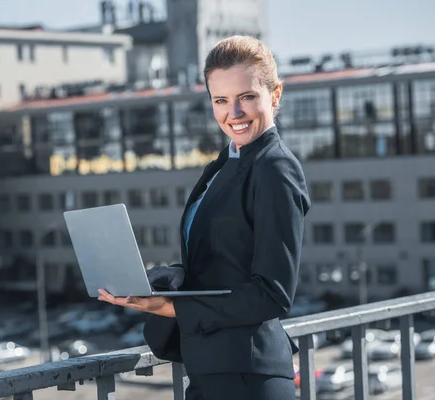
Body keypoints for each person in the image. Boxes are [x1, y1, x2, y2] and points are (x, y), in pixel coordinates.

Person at [97, 35, 311, 399]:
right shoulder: (225, 164)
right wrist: (177, 277)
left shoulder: (275, 169)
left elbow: (272, 294)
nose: (234, 113)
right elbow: (226, 261)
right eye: (221, 100)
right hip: (214, 370)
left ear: (275, 95)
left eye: (247, 97)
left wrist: (171, 307)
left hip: (248, 377)